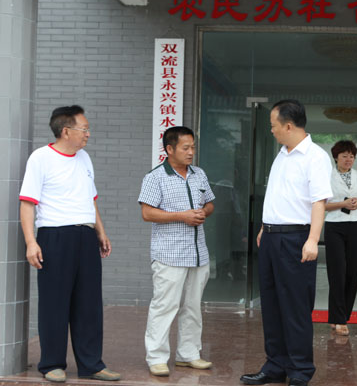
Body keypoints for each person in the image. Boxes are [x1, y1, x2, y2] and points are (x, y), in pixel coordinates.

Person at [19, 105, 121, 383]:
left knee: (89, 303)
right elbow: (27, 203)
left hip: (85, 236)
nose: (88, 134)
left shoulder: (84, 158)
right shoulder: (41, 158)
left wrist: (100, 231)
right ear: (66, 131)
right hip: (55, 236)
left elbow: (91, 198)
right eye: (84, 129)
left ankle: (92, 364)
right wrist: (31, 242)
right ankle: (52, 363)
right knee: (54, 302)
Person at [240, 100, 333, 386]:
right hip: (271, 237)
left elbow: (319, 202)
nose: (272, 130)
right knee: (271, 305)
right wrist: (265, 227)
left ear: (289, 126)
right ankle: (275, 365)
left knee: (295, 307)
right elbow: (279, 194)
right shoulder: (281, 154)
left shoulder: (315, 157)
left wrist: (313, 240)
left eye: (274, 125)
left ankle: (300, 370)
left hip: (296, 239)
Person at [138, 126, 215, 377]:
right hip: (169, 255)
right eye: (185, 148)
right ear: (169, 149)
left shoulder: (199, 174)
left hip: (198, 253)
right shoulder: (155, 177)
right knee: (164, 306)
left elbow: (210, 203)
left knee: (192, 307)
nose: (191, 152)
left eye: (193, 147)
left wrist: (204, 212)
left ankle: (188, 354)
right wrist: (182, 216)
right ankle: (156, 357)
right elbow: (147, 213)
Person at [324, 140, 357, 336]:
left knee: (352, 271)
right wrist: (342, 204)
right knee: (337, 272)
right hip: (334, 225)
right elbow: (322, 205)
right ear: (336, 157)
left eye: (351, 156)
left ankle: (342, 316)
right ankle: (339, 319)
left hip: (355, 225)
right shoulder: (327, 176)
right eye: (344, 156)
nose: (348, 159)